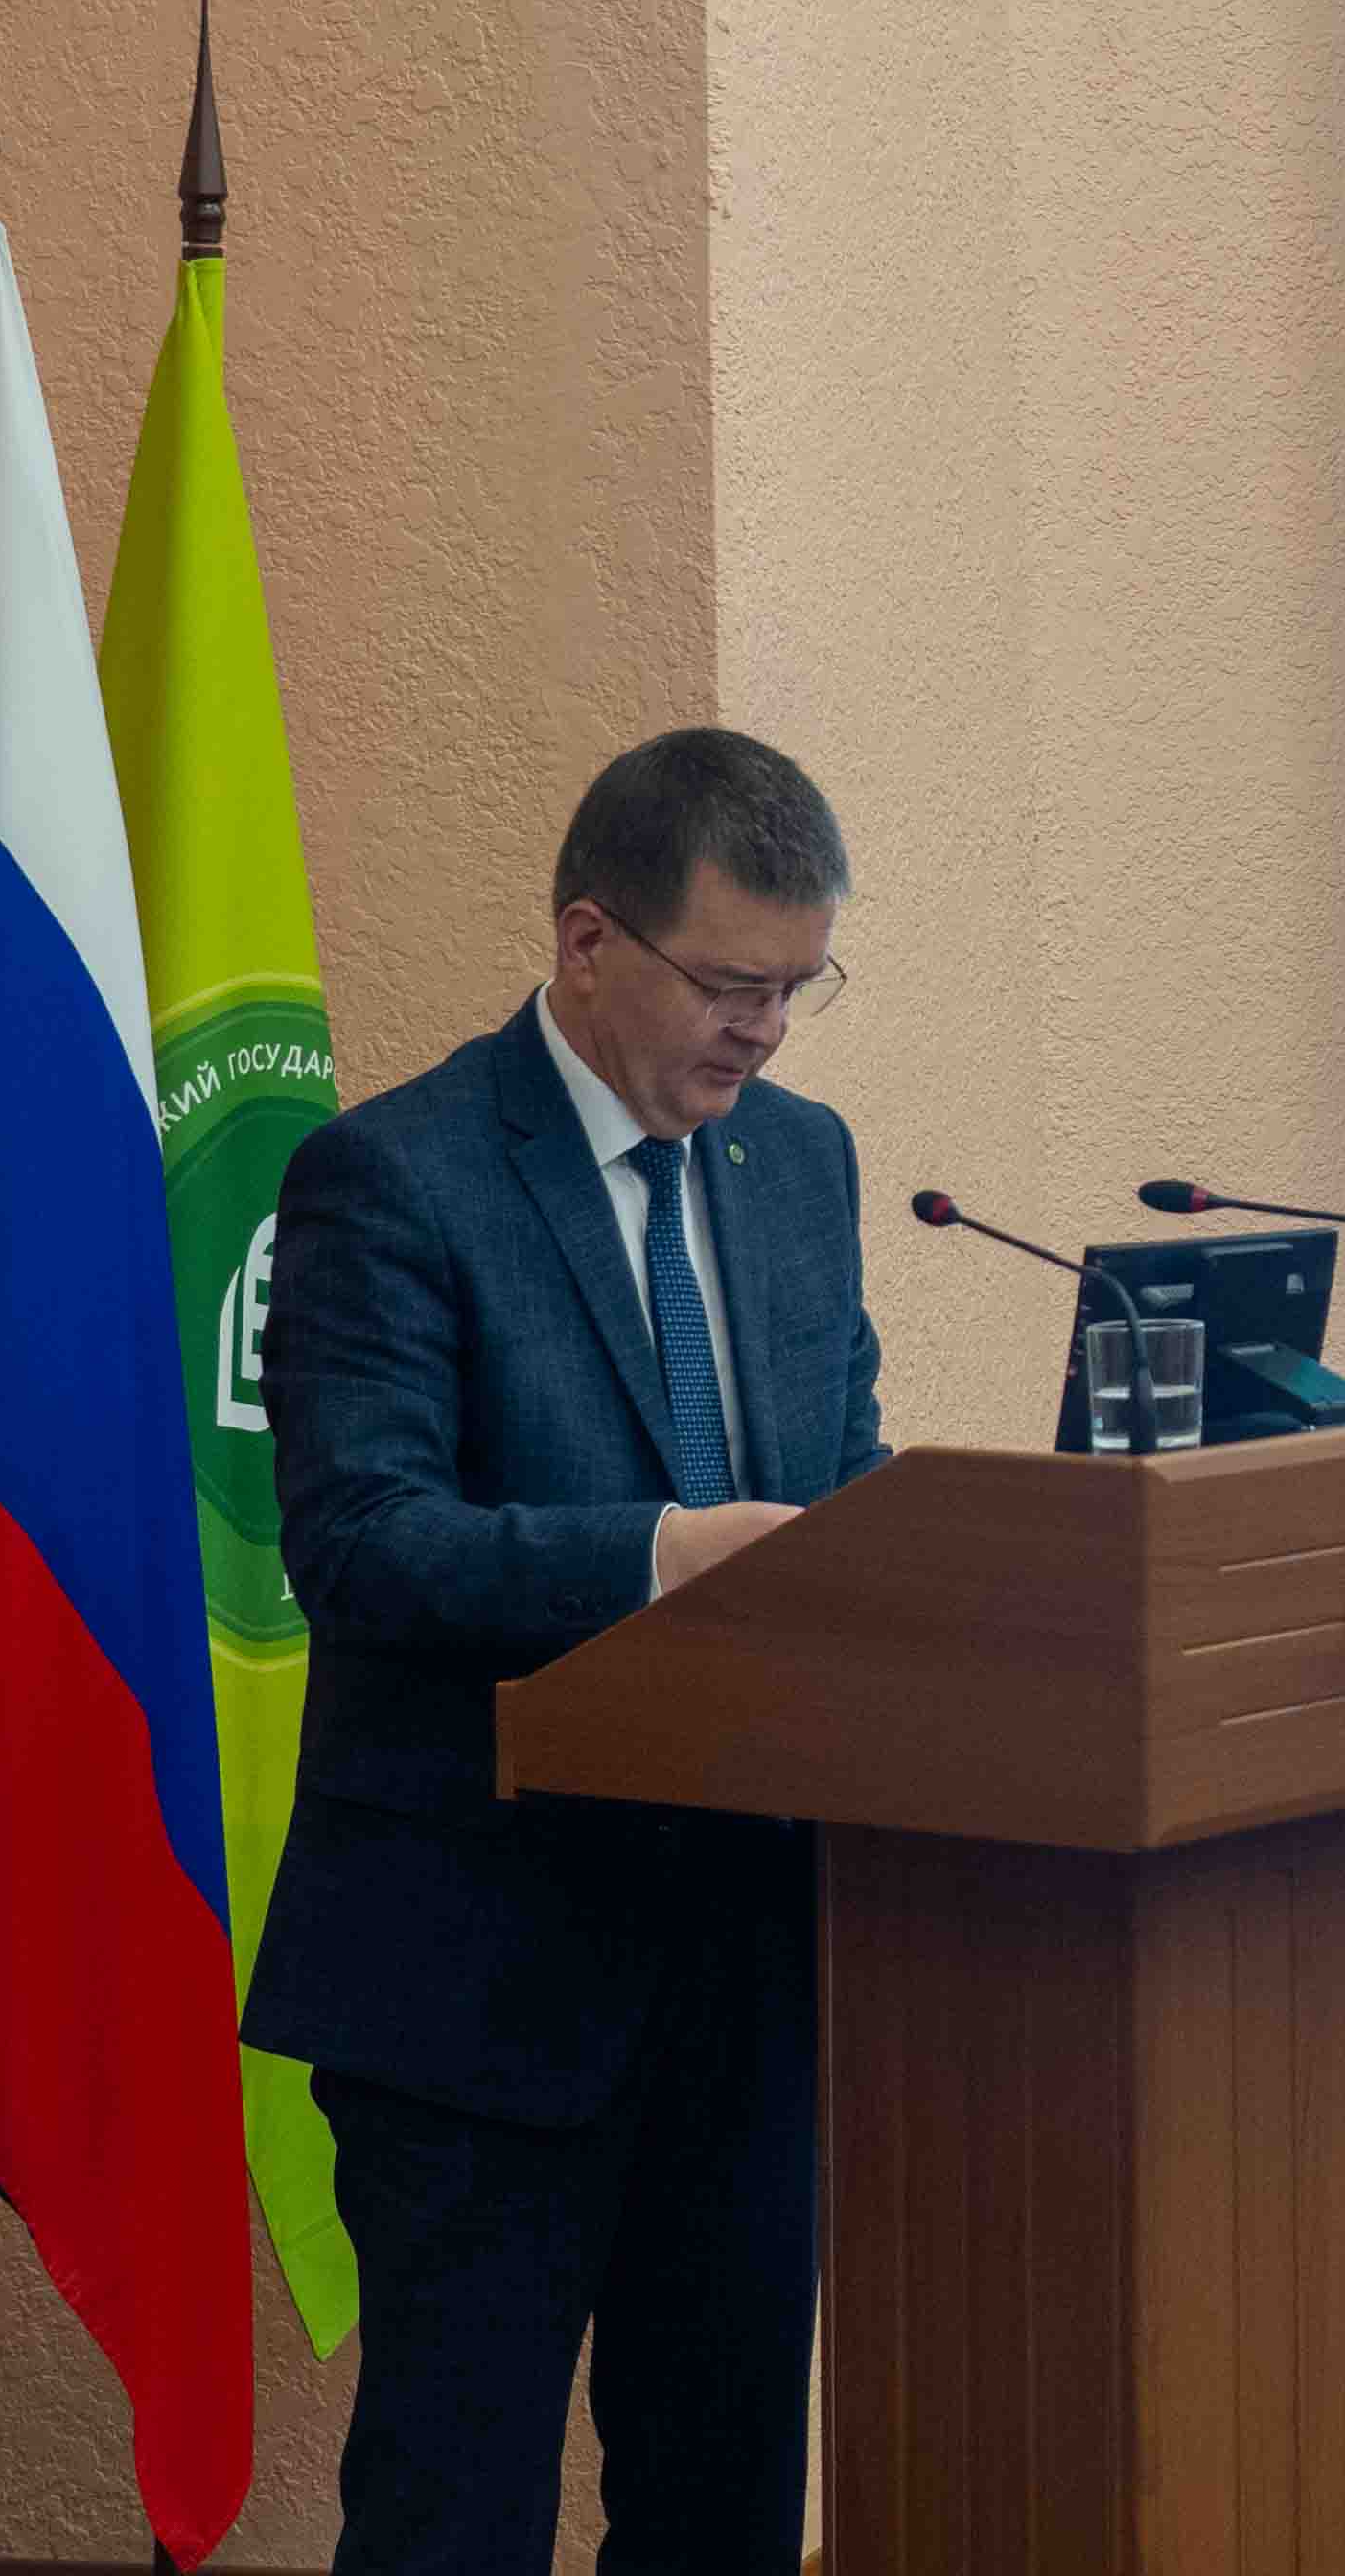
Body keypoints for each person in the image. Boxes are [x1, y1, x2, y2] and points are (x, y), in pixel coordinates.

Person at [247, 729, 893, 2575]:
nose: (764, 1031)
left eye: (800, 986)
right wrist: (662, 1555)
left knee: (722, 2505)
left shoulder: (801, 1165)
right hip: (483, 1973)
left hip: (748, 1966)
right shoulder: (395, 1175)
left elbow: (841, 1480)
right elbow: (361, 1543)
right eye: (731, 983)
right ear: (591, 941)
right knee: (456, 2514)